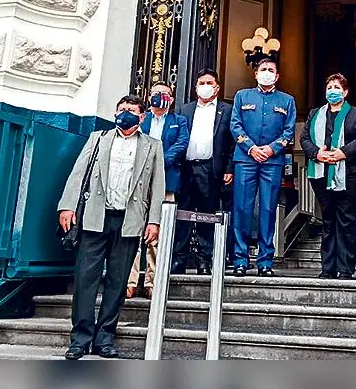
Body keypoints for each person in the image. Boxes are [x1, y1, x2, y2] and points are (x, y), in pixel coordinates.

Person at [56, 95, 165, 360]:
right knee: (85, 279)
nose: (124, 114)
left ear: (141, 117)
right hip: (95, 217)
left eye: (130, 110)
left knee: (117, 282)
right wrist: (67, 206)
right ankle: (80, 339)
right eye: (121, 109)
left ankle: (105, 338)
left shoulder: (152, 146)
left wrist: (154, 220)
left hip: (129, 221)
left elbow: (157, 186)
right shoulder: (98, 139)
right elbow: (77, 173)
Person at [299, 73, 356, 279]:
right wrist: (316, 153)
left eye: (337, 87)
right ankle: (328, 268)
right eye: (329, 87)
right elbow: (304, 138)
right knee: (328, 220)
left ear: (345, 92)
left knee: (347, 220)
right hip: (321, 173)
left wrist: (343, 152)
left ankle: (346, 268)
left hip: (350, 174)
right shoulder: (315, 114)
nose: (332, 91)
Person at [230, 56, 296, 276]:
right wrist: (251, 148)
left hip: (272, 161)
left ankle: (265, 261)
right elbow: (235, 125)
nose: (266, 72)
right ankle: (240, 259)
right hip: (245, 159)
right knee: (242, 208)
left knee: (268, 209)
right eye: (263, 69)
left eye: (271, 70)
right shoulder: (242, 96)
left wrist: (271, 149)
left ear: (277, 76)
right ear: (255, 74)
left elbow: (289, 131)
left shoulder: (287, 100)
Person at [127, 82, 189, 298]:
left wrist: (158, 161)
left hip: (166, 181)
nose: (159, 97)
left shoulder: (179, 121)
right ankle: (130, 280)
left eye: (164, 94)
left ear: (171, 99)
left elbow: (181, 146)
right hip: (137, 182)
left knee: (158, 233)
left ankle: (152, 281)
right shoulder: (140, 120)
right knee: (133, 230)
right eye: (155, 93)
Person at [173, 68, 235, 274]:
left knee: (207, 215)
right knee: (183, 214)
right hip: (187, 168)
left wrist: (228, 169)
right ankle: (179, 258)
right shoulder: (184, 110)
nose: (205, 87)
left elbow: (232, 143)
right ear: (196, 87)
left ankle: (204, 260)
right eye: (202, 83)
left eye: (210, 83)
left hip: (211, 169)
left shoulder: (227, 110)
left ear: (217, 87)